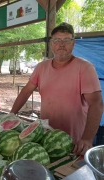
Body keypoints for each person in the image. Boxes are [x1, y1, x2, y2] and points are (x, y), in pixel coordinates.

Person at [10, 22, 103, 155]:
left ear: (73, 43)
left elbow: (96, 103)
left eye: (66, 40)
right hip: (46, 135)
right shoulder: (41, 67)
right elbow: (26, 91)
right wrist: (12, 114)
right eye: (57, 40)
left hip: (75, 141)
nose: (61, 44)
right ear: (51, 43)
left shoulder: (85, 68)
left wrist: (87, 139)